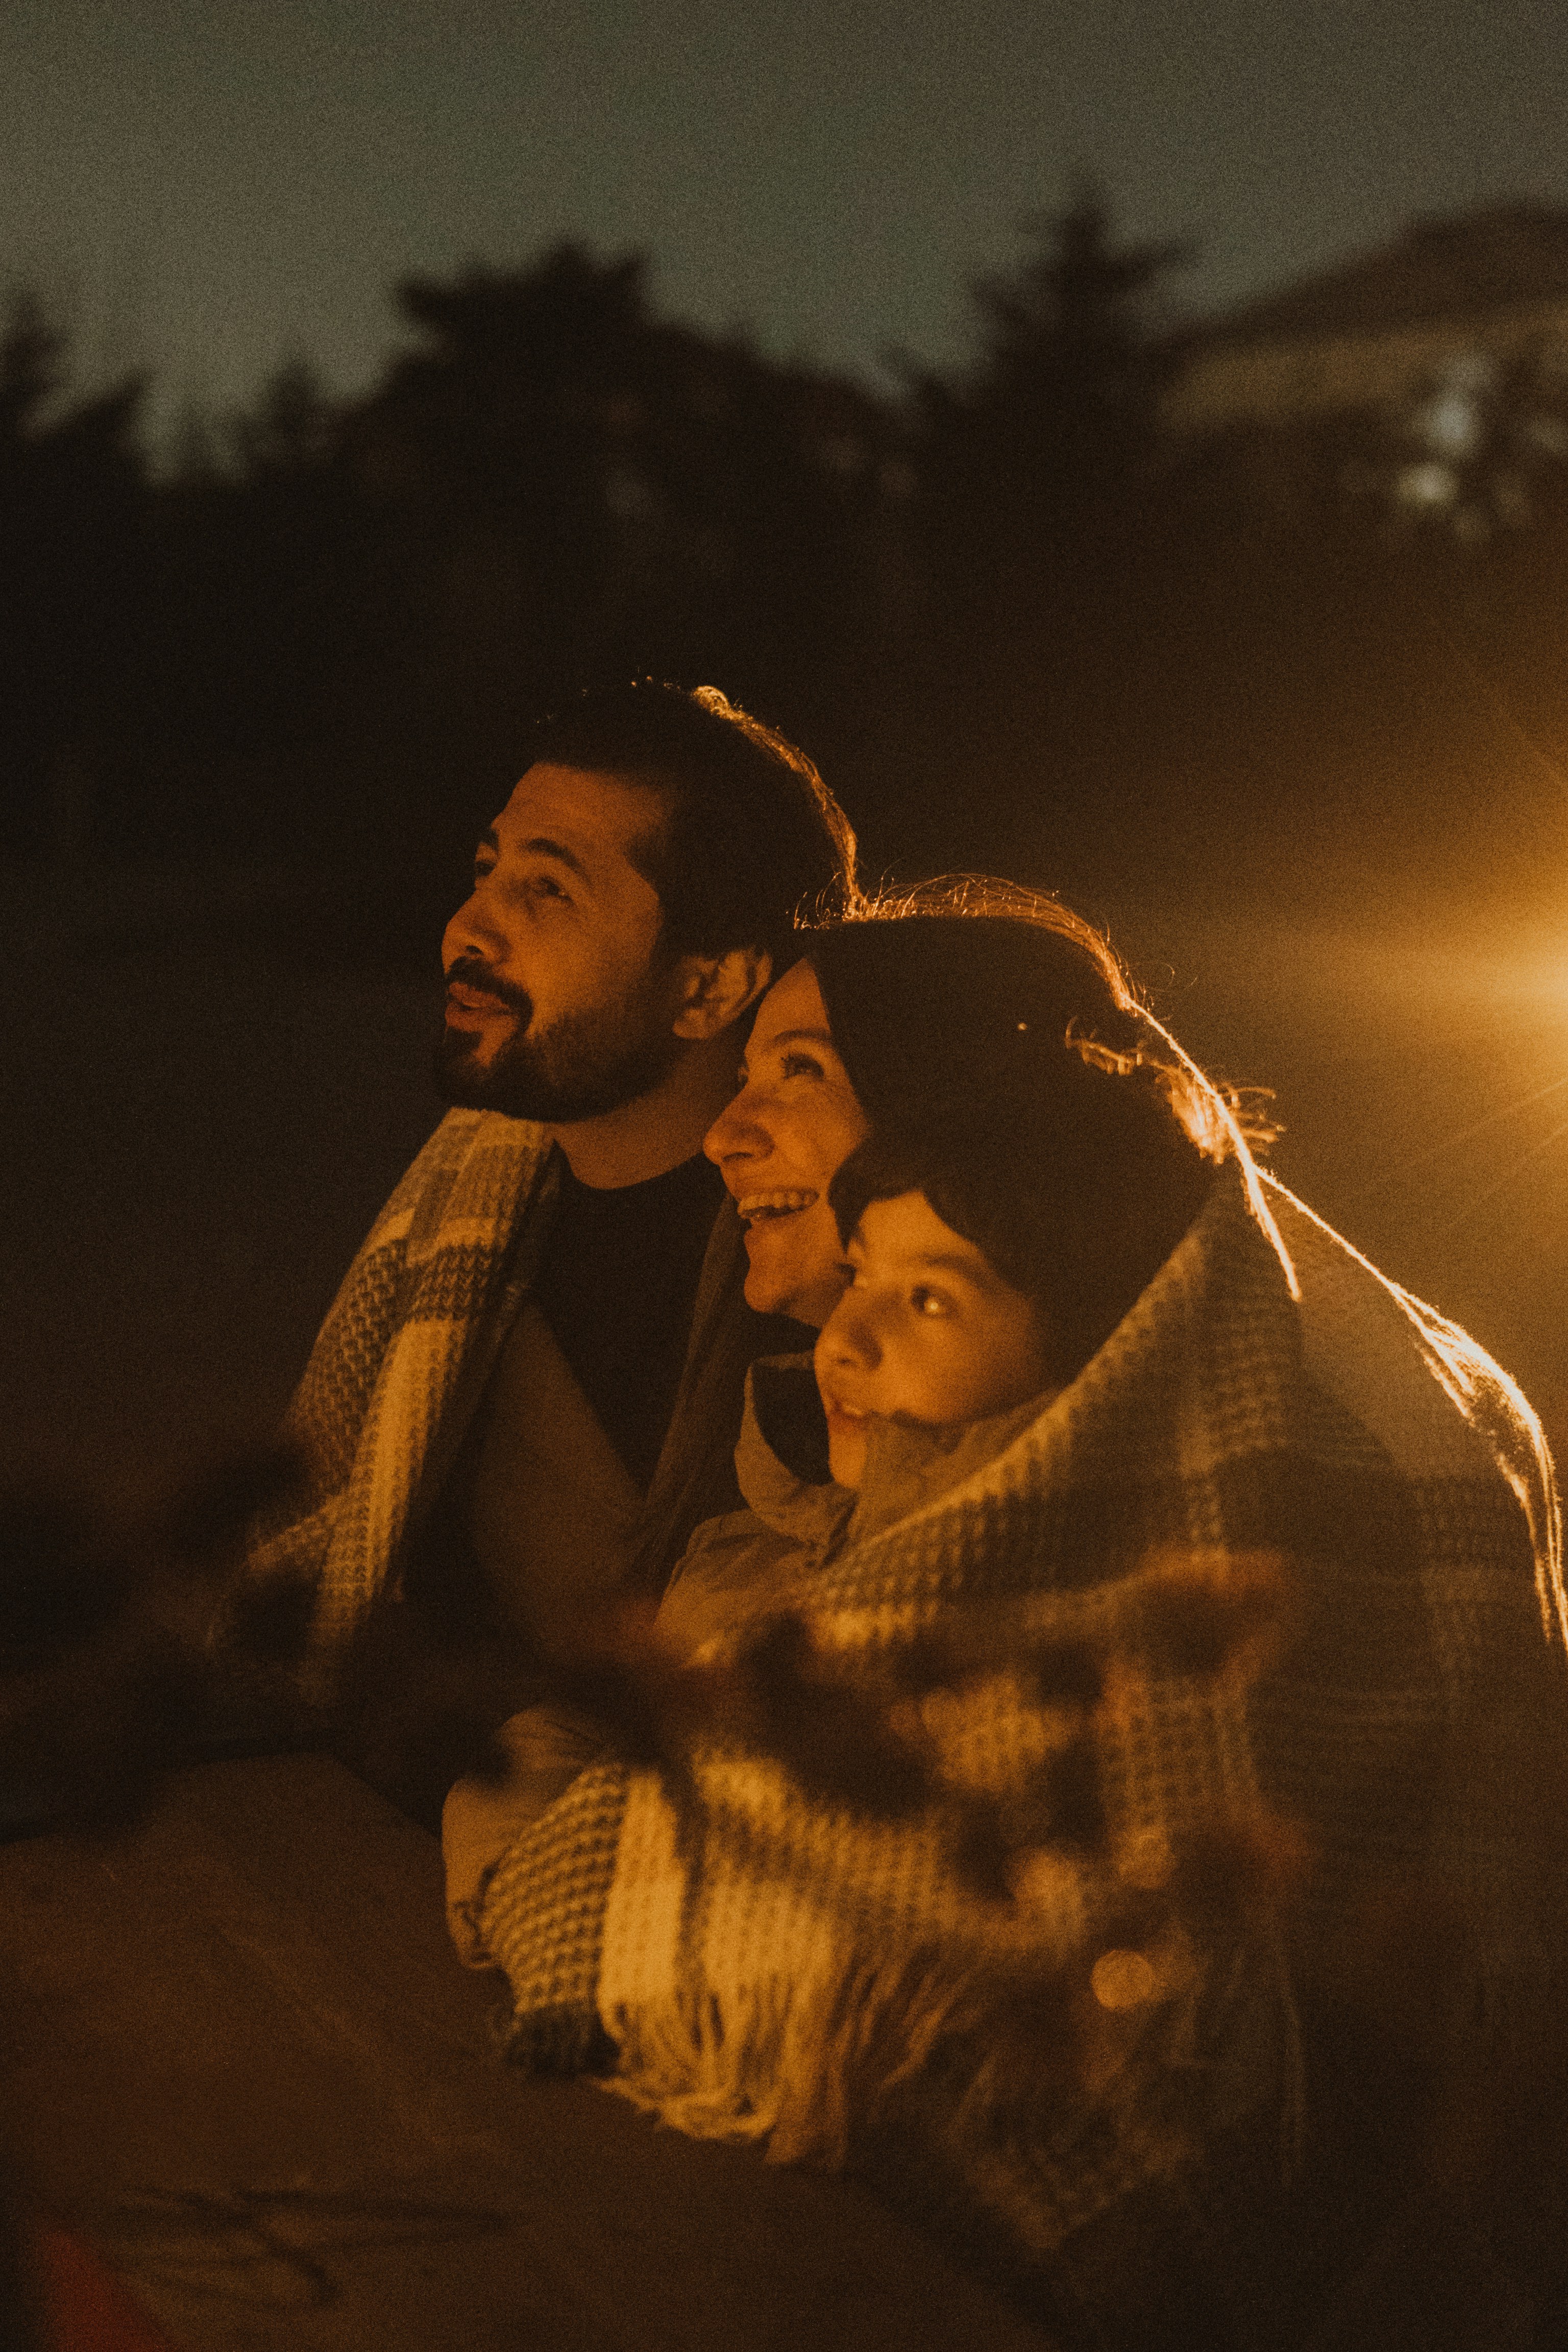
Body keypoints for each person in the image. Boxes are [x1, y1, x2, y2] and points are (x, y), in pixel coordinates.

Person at [461, 884, 1568, 2347]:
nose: (729, 1126)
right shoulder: (826, 1435)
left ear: (971, 1116)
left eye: (798, 1071)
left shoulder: (1236, 1484)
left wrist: (560, 1823)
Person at [229, 680, 856, 1821]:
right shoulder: (486, 1197)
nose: (466, 932)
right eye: (485, 873)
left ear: (710, 983)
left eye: (545, 892)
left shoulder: (815, 1281)